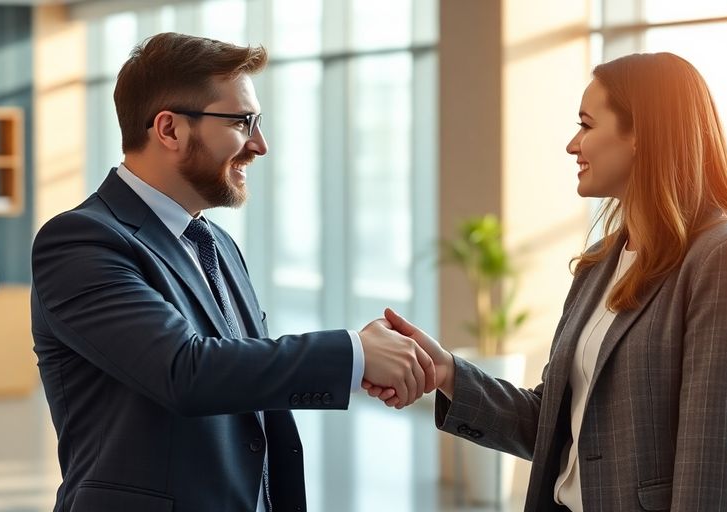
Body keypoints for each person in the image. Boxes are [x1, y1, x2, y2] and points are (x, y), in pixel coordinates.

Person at [30, 33, 435, 512]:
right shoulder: (80, 241)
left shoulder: (216, 243)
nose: (260, 145)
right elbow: (186, 370)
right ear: (170, 130)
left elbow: (243, 374)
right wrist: (354, 355)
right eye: (243, 122)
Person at [365, 52, 727, 511]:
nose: (572, 144)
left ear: (641, 133)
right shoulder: (599, 263)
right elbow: (550, 423)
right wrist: (446, 371)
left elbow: (713, 472)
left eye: (587, 125)